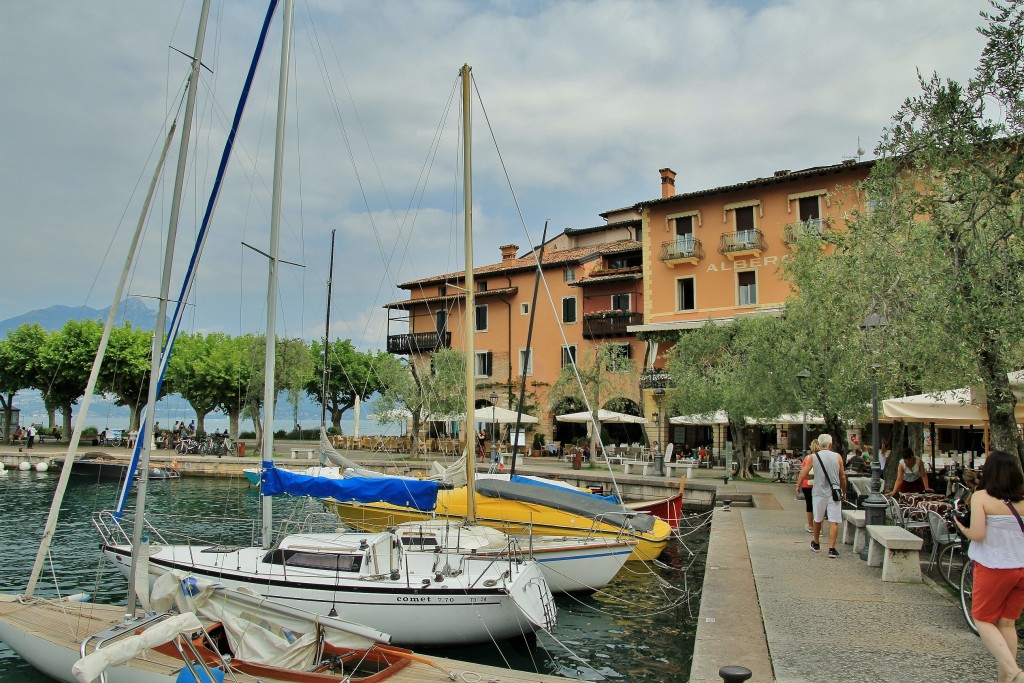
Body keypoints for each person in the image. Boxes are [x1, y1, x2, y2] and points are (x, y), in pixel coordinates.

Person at [954, 450, 1024, 683]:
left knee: (983, 619)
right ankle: (1005, 678)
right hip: (1021, 568)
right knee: (1007, 622)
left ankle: (1014, 673)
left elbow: (978, 534)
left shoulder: (981, 496)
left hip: (994, 566)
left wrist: (961, 527)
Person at [797, 433, 846, 558]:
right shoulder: (838, 457)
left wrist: (798, 485)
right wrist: (843, 491)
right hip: (834, 492)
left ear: (819, 445)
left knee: (818, 518)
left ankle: (816, 543)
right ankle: (832, 548)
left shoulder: (813, 457)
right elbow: (842, 476)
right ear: (830, 445)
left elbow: (803, 473)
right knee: (834, 520)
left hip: (819, 492)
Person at [795, 442, 819, 533]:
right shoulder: (823, 458)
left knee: (809, 505)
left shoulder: (808, 458)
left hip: (807, 484)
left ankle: (811, 526)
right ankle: (820, 529)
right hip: (819, 484)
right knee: (819, 507)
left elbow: (802, 473)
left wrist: (798, 485)